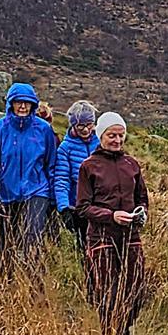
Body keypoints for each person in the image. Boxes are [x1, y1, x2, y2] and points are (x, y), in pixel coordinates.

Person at [75, 111, 149, 335]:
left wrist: (140, 214)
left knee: (137, 288)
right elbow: (83, 207)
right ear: (100, 135)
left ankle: (123, 332)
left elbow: (142, 198)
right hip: (101, 239)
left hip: (130, 237)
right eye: (111, 135)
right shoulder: (89, 166)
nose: (116, 140)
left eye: (120, 135)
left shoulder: (132, 165)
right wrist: (111, 216)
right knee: (109, 293)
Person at [0, 83, 59, 281]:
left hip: (37, 190)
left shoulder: (43, 130)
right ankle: (7, 282)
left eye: (27, 103)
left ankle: (35, 284)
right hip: (7, 192)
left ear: (33, 105)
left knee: (33, 237)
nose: (22, 107)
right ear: (10, 104)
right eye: (18, 103)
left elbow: (52, 165)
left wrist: (54, 199)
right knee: (8, 241)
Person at [52, 100, 101, 250]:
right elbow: (61, 179)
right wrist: (64, 207)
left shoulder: (101, 142)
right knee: (83, 246)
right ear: (73, 125)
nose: (86, 130)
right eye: (81, 126)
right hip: (78, 205)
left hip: (102, 203)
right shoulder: (66, 148)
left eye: (89, 125)